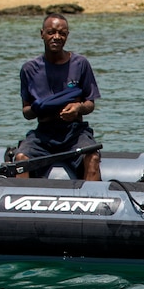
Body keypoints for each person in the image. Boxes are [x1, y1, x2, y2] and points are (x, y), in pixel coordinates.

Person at [13, 13, 102, 180]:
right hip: (43, 134)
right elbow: (26, 111)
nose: (56, 37)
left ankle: (94, 201)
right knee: (20, 159)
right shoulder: (29, 69)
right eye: (51, 32)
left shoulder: (80, 64)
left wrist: (78, 108)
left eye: (62, 33)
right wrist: (41, 108)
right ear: (42, 34)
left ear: (67, 36)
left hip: (74, 133)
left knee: (93, 157)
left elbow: (90, 103)